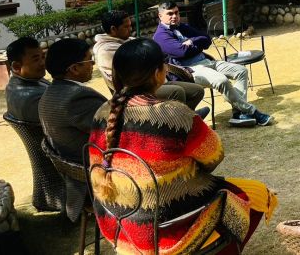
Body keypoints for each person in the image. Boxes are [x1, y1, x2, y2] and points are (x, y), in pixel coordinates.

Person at [88, 38, 278, 255]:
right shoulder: (176, 114)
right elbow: (214, 157)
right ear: (158, 73)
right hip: (166, 232)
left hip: (118, 228)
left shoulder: (101, 113)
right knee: (257, 193)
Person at [153, 1, 273, 128]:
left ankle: (238, 113)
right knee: (222, 80)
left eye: (176, 13)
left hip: (208, 61)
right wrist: (195, 44)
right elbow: (181, 52)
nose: (174, 16)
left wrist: (191, 41)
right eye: (170, 14)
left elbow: (207, 39)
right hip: (191, 70)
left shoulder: (181, 27)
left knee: (241, 71)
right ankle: (252, 112)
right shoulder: (160, 36)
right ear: (160, 16)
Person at [38, 38, 108, 223]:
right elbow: (117, 130)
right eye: (89, 60)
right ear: (74, 68)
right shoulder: (77, 98)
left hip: (77, 173)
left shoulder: (51, 93)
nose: (93, 65)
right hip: (98, 179)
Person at [94, 10, 208, 117]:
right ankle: (177, 124)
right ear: (113, 29)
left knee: (196, 90)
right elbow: (123, 79)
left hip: (154, 80)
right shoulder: (105, 51)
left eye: (130, 25)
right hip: (136, 89)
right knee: (176, 92)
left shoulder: (128, 40)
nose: (130, 28)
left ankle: (188, 117)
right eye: (126, 26)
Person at [5, 37, 49, 123]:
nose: (43, 63)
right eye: (36, 59)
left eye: (43, 57)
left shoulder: (14, 85)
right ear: (16, 67)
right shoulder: (33, 98)